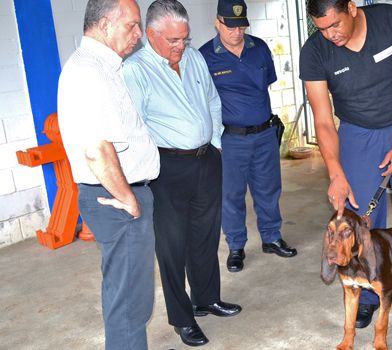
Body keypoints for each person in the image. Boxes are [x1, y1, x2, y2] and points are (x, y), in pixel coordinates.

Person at [300, 0, 392, 329]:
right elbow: (324, 121)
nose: (330, 35)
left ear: (352, 7)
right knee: (362, 222)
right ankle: (369, 293)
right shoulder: (315, 51)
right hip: (357, 135)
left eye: (335, 25)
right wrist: (335, 174)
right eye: (322, 28)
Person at [122, 0, 240, 347]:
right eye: (173, 40)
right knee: (172, 246)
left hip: (206, 159)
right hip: (166, 168)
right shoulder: (136, 69)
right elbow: (134, 126)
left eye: (184, 39)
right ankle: (182, 317)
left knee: (205, 235)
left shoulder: (194, 57)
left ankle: (206, 298)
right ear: (151, 34)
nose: (180, 47)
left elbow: (212, 100)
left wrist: (215, 141)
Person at [57, 0, 159, 349]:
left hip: (121, 196)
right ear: (103, 25)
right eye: (131, 25)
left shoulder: (102, 66)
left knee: (128, 294)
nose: (139, 34)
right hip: (118, 200)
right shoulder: (89, 71)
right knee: (129, 305)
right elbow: (96, 149)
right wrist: (128, 199)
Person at [199, 0, 297, 274]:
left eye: (242, 26)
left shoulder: (260, 48)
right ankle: (236, 247)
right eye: (231, 26)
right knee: (231, 195)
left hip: (264, 134)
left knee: (269, 189)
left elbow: (265, 85)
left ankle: (271, 237)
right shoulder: (205, 56)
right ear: (218, 22)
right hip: (230, 139)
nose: (237, 32)